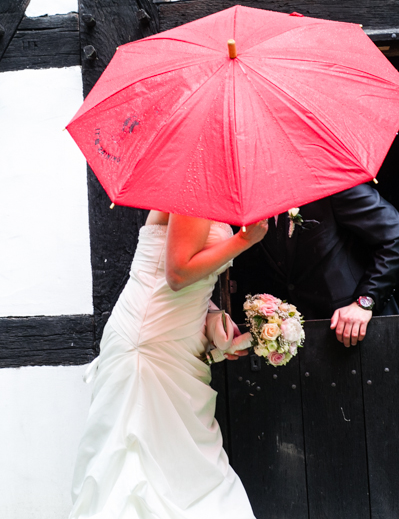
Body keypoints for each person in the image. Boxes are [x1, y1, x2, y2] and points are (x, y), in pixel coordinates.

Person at [69, 211, 268, 519]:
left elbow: (193, 280)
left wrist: (214, 321)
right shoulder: (195, 180)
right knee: (136, 467)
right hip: (150, 343)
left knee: (186, 469)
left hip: (180, 343)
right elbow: (176, 274)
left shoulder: (209, 186)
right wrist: (244, 240)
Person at [232, 183, 399, 347]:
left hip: (358, 331)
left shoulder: (333, 184)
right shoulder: (249, 203)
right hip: (299, 344)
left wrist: (364, 302)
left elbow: (397, 235)